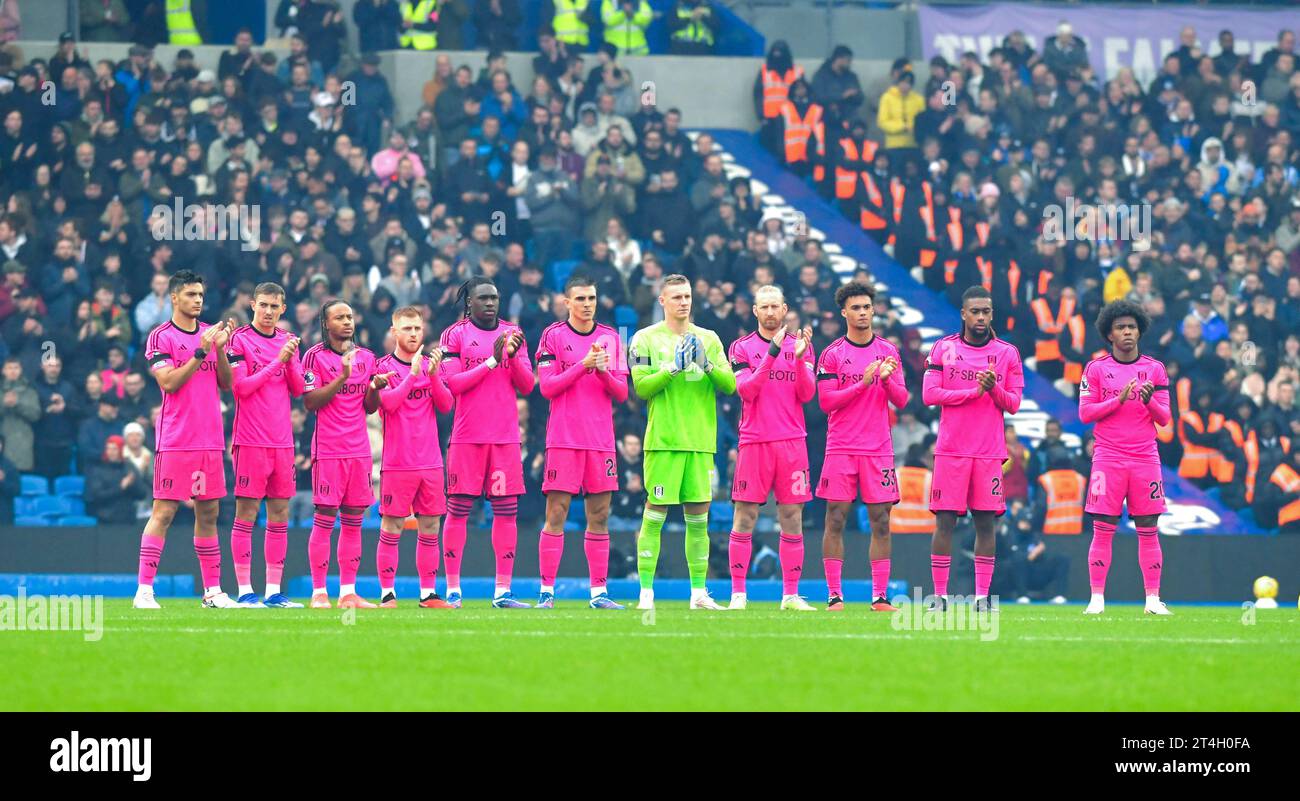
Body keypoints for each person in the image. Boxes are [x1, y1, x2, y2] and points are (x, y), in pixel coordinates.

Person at [628, 273, 736, 610]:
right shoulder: (643, 339)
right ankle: (645, 592)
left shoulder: (709, 338)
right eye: (676, 297)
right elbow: (641, 388)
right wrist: (674, 368)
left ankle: (698, 593)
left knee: (699, 517)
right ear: (662, 301)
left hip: (701, 442)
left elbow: (730, 385)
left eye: (687, 296)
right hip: (664, 441)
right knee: (655, 513)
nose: (683, 302)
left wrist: (703, 362)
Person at [134, 271, 237, 609]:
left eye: (201, 295)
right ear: (174, 298)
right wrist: (200, 351)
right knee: (164, 511)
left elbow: (226, 384)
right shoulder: (160, 337)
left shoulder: (210, 335)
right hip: (176, 440)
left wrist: (219, 351)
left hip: (210, 440)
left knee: (208, 514)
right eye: (191, 294)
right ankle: (145, 590)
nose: (197, 300)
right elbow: (168, 383)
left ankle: (213, 591)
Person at [923, 285, 1024, 612]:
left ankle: (982, 598)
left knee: (985, 523)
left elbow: (1014, 404)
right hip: (951, 451)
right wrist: (971, 392)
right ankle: (939, 596)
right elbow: (930, 395)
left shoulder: (1008, 353)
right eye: (975, 311)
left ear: (991, 314)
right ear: (964, 314)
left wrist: (993, 389)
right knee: (945, 522)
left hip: (988, 452)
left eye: (986, 311)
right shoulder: (942, 348)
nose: (981, 317)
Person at [438, 276, 536, 608]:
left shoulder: (514, 334)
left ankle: (502, 591)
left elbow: (527, 385)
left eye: (495, 297)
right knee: (459, 511)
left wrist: (509, 357)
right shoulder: (455, 335)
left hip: (505, 438)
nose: (491, 303)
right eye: (483, 298)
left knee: (506, 512)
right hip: (467, 438)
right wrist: (492, 361)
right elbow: (452, 383)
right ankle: (453, 590)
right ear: (469, 303)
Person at [535, 275, 629, 609]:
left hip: (600, 440)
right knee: (557, 513)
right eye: (581, 299)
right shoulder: (553, 336)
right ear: (567, 302)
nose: (587, 304)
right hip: (564, 438)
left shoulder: (612, 339)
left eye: (591, 298)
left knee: (599, 515)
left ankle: (598, 593)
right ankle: (547, 592)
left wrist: (602, 371)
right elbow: (547, 387)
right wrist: (583, 365)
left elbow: (621, 392)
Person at [816, 282, 909, 611]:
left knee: (881, 520)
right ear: (844, 313)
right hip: (841, 447)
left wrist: (884, 380)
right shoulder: (832, 354)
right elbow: (826, 402)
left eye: (867, 307)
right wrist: (863, 383)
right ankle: (834, 595)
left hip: (878, 448)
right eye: (856, 308)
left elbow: (902, 398)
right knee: (836, 518)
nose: (863, 313)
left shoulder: (888, 352)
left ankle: (880, 597)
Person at [1078, 300, 1173, 615]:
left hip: (1145, 458)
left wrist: (1148, 401)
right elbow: (1085, 413)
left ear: (1140, 330)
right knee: (1103, 525)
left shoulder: (1154, 369)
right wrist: (1116, 400)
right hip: (1108, 458)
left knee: (1148, 526)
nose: (1127, 332)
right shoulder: (1096, 369)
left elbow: (1164, 419)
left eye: (1132, 326)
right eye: (1121, 327)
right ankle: (1096, 599)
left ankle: (1152, 600)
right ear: (1109, 334)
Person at [725, 285, 817, 611]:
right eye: (763, 307)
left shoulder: (801, 346)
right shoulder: (741, 347)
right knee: (745, 516)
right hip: (755, 441)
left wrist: (802, 358)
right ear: (754, 311)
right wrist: (774, 354)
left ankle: (790, 595)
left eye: (775, 306)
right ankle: (738, 594)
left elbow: (807, 395)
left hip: (792, 443)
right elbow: (746, 391)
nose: (769, 312)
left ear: (785, 308)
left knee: (792, 516)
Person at [225, 282, 306, 609]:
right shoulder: (239, 340)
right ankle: (245, 590)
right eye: (263, 305)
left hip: (282, 442)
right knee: (246, 513)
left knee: (279, 513)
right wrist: (278, 362)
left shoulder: (289, 342)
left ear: (283, 309)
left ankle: (273, 591)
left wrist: (289, 360)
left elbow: (299, 389)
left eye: (274, 306)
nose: (269, 311)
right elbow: (241, 388)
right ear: (252, 305)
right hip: (250, 440)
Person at [302, 300, 387, 609]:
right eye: (339, 317)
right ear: (326, 324)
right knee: (325, 519)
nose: (347, 322)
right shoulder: (314, 357)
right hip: (328, 449)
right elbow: (311, 401)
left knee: (353, 521)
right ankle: (318, 593)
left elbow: (369, 407)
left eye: (349, 316)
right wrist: (341, 377)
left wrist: (375, 388)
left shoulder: (367, 357)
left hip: (359, 451)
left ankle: (347, 593)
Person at [373, 306, 455, 608]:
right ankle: (387, 594)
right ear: (395, 332)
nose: (413, 333)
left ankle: (428, 594)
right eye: (407, 328)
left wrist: (432, 376)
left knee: (431, 528)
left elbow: (446, 405)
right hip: (397, 462)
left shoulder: (434, 366)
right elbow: (388, 405)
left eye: (417, 328)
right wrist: (412, 375)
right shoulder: (383, 368)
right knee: (391, 527)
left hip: (431, 462)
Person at [86, 435, 146, 524]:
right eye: (108, 449)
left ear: (121, 450)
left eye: (114, 449)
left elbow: (141, 494)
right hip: (106, 519)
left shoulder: (129, 467)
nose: (111, 452)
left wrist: (131, 485)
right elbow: (97, 496)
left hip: (128, 519)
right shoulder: (98, 469)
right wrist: (121, 487)